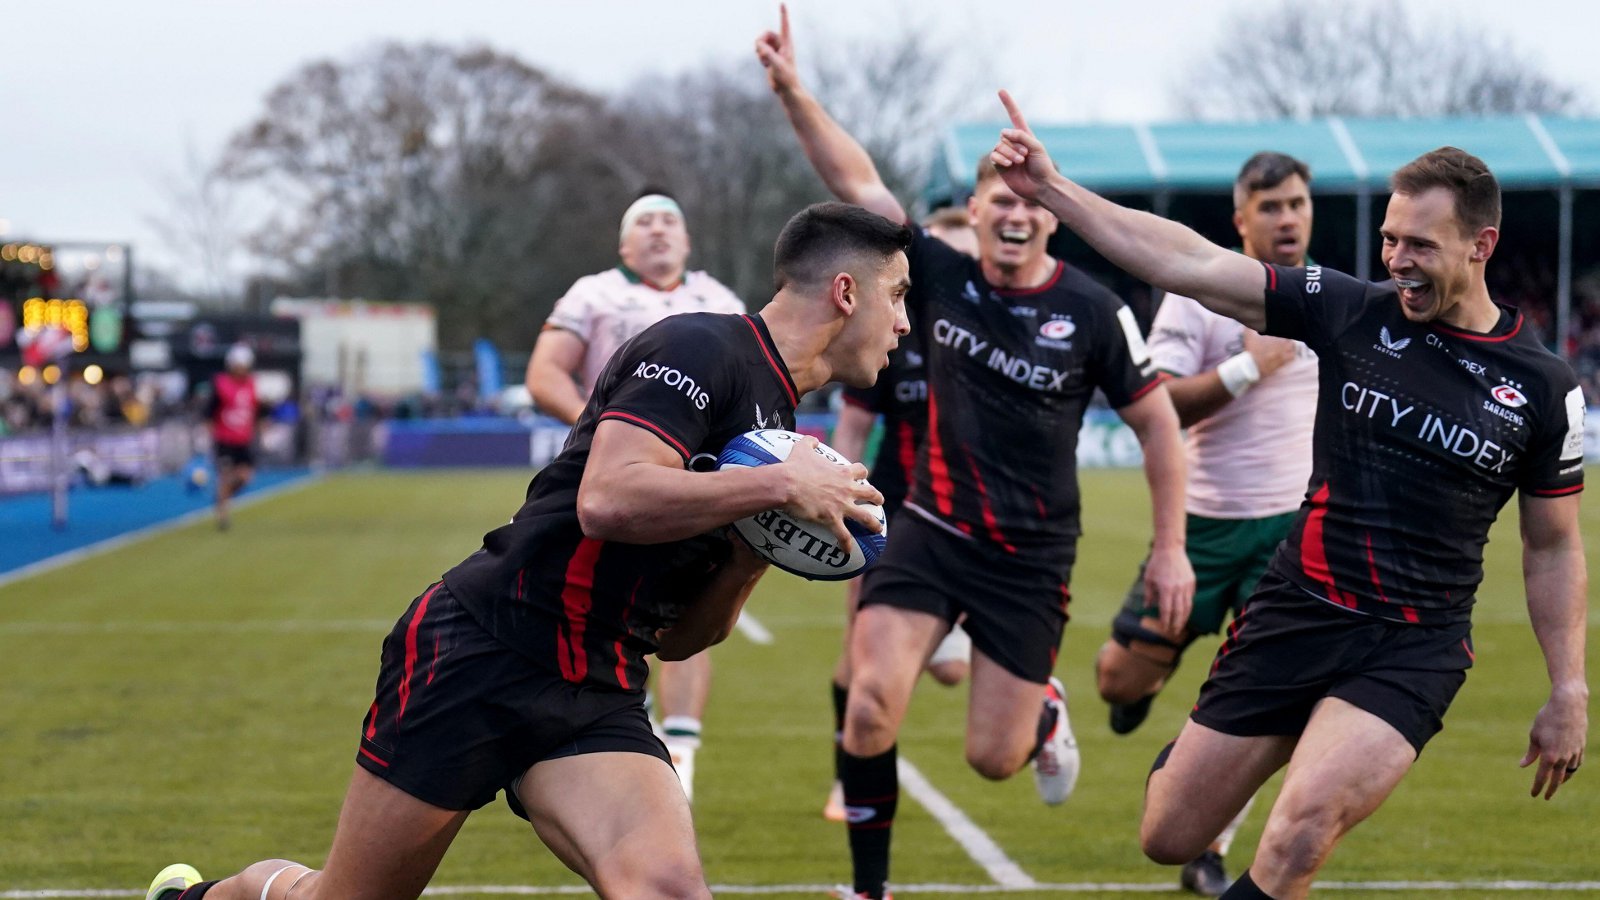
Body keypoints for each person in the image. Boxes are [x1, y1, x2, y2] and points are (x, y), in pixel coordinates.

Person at [143, 202, 913, 900]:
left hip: (599, 682)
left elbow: (685, 637)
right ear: (846, 292)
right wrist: (774, 490)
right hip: (484, 652)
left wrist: (759, 552)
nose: (906, 323)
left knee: (669, 890)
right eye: (900, 295)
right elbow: (607, 500)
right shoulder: (703, 345)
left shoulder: (778, 428)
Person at [991, 92, 1588, 900]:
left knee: (1297, 835)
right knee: (1168, 835)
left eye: (1421, 244)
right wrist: (1055, 190)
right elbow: (1191, 262)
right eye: (1389, 240)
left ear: (1482, 245)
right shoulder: (1350, 312)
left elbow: (1552, 542)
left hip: (1412, 645)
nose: (1398, 260)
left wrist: (1567, 686)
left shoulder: (1546, 388)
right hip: (1297, 611)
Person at [758, 13, 1195, 898]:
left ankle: (1039, 716)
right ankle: (868, 889)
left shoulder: (1096, 310)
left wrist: (1172, 546)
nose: (1014, 213)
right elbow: (854, 179)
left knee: (992, 759)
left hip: (1031, 560)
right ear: (980, 210)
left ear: (1050, 216)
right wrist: (795, 93)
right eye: (999, 198)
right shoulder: (940, 271)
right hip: (928, 528)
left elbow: (1157, 427)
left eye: (1030, 201)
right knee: (872, 701)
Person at [1092, 152, 1319, 896]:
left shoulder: (1330, 299)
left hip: (1291, 532)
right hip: (1200, 528)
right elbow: (1160, 406)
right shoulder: (1198, 296)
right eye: (1272, 206)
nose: (1288, 218)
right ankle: (1140, 695)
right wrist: (1246, 368)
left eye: (1298, 204)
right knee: (1118, 680)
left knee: (1268, 697)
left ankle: (1210, 848)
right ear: (1241, 219)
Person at [525, 190, 747, 803]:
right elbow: (544, 372)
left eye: (669, 220)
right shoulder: (593, 293)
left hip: (691, 481)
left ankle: (681, 752)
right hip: (609, 476)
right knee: (584, 608)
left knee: (688, 608)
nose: (657, 230)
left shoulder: (718, 301)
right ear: (624, 244)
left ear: (687, 241)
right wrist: (598, 431)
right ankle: (587, 732)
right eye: (643, 222)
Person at [822, 208, 977, 823]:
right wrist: (839, 499)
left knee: (951, 670)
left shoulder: (991, 339)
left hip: (970, 523)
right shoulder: (893, 337)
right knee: (857, 654)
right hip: (890, 516)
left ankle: (1037, 699)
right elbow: (854, 427)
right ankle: (846, 777)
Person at [207, 343, 260, 531]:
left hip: (243, 440)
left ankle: (223, 496)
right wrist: (208, 435)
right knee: (225, 476)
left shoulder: (252, 385)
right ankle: (223, 516)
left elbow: (256, 411)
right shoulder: (221, 385)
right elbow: (209, 413)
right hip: (224, 439)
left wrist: (260, 429)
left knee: (245, 477)